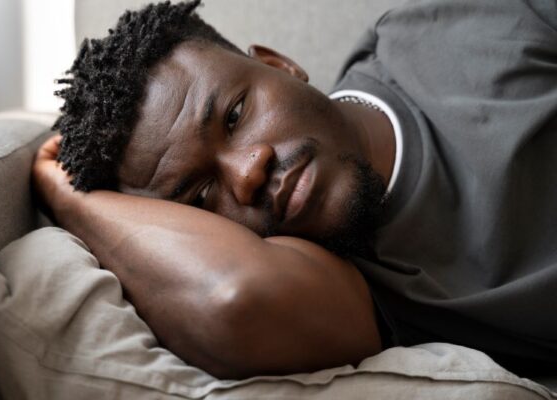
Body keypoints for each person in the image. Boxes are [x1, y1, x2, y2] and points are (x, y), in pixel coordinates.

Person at [32, 0, 557, 379]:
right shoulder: (336, 277)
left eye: (236, 116)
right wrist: (72, 199)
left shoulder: (458, 35)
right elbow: (233, 299)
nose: (247, 174)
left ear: (279, 64)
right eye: (199, 197)